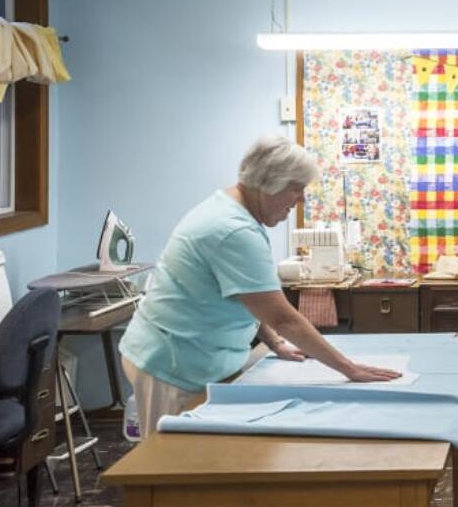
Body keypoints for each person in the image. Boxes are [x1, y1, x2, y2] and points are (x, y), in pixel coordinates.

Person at [120, 137, 400, 435]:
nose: (301, 200)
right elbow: (282, 317)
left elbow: (246, 296)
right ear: (270, 184)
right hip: (172, 365)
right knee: (171, 467)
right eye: (296, 189)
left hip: (192, 358)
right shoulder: (233, 230)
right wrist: (349, 369)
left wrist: (275, 343)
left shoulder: (231, 209)